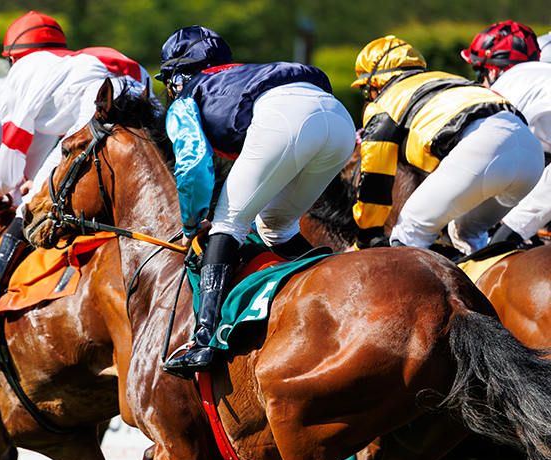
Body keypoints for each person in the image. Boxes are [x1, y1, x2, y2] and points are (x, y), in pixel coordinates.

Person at [159, 26, 356, 379]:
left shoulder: (188, 96)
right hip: (339, 119)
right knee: (276, 226)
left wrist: (192, 224)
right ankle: (340, 293)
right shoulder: (240, 75)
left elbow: (193, 168)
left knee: (227, 222)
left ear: (179, 75)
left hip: (285, 117)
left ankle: (204, 340)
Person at [0, 11, 151, 344]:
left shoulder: (25, 72)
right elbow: (44, 148)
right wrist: (33, 179)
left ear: (15, 56)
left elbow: (15, 145)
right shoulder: (75, 62)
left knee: (25, 212)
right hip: (143, 112)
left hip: (96, 124)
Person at [349, 35, 543, 255]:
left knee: (408, 232)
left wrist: (365, 240)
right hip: (531, 154)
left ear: (373, 85)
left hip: (485, 147)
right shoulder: (447, 79)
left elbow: (375, 179)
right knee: (465, 235)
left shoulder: (385, 103)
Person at [461, 21, 551, 248]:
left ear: (492, 70)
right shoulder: (539, 77)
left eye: (478, 71)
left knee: (496, 243)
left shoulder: (509, 85)